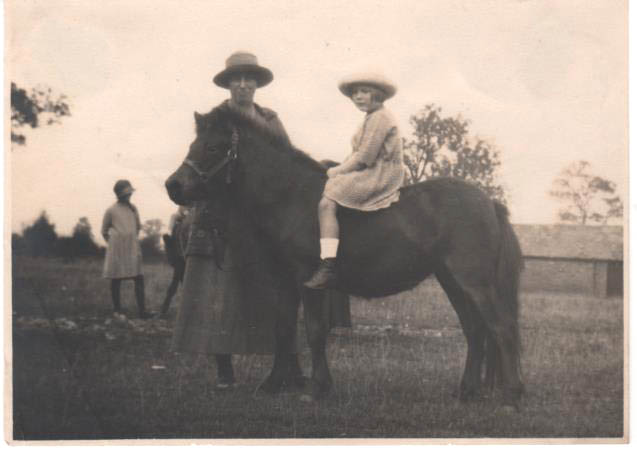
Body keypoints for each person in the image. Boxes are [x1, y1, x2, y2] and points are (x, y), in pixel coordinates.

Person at [171, 51, 302, 389]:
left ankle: (285, 366)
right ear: (228, 83)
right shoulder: (216, 118)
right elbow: (199, 158)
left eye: (250, 78)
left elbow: (286, 159)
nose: (243, 84)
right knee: (219, 290)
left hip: (263, 214)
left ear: (257, 84)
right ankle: (224, 371)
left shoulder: (270, 119)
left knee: (279, 284)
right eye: (237, 79)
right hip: (222, 211)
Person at [304, 73, 405, 289]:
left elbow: (365, 158)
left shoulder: (380, 118)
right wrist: (336, 168)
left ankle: (328, 265)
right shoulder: (371, 117)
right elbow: (356, 154)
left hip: (380, 173)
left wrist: (336, 172)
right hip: (372, 168)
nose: (358, 97)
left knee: (327, 202)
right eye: (355, 92)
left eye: (365, 92)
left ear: (377, 95)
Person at [101, 179, 153, 319]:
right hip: (117, 249)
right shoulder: (111, 210)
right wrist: (113, 244)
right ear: (119, 195)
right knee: (116, 278)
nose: (128, 196)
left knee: (138, 277)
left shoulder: (133, 208)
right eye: (125, 194)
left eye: (129, 193)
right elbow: (104, 230)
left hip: (131, 247)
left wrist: (131, 240)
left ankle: (142, 311)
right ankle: (117, 310)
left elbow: (137, 226)